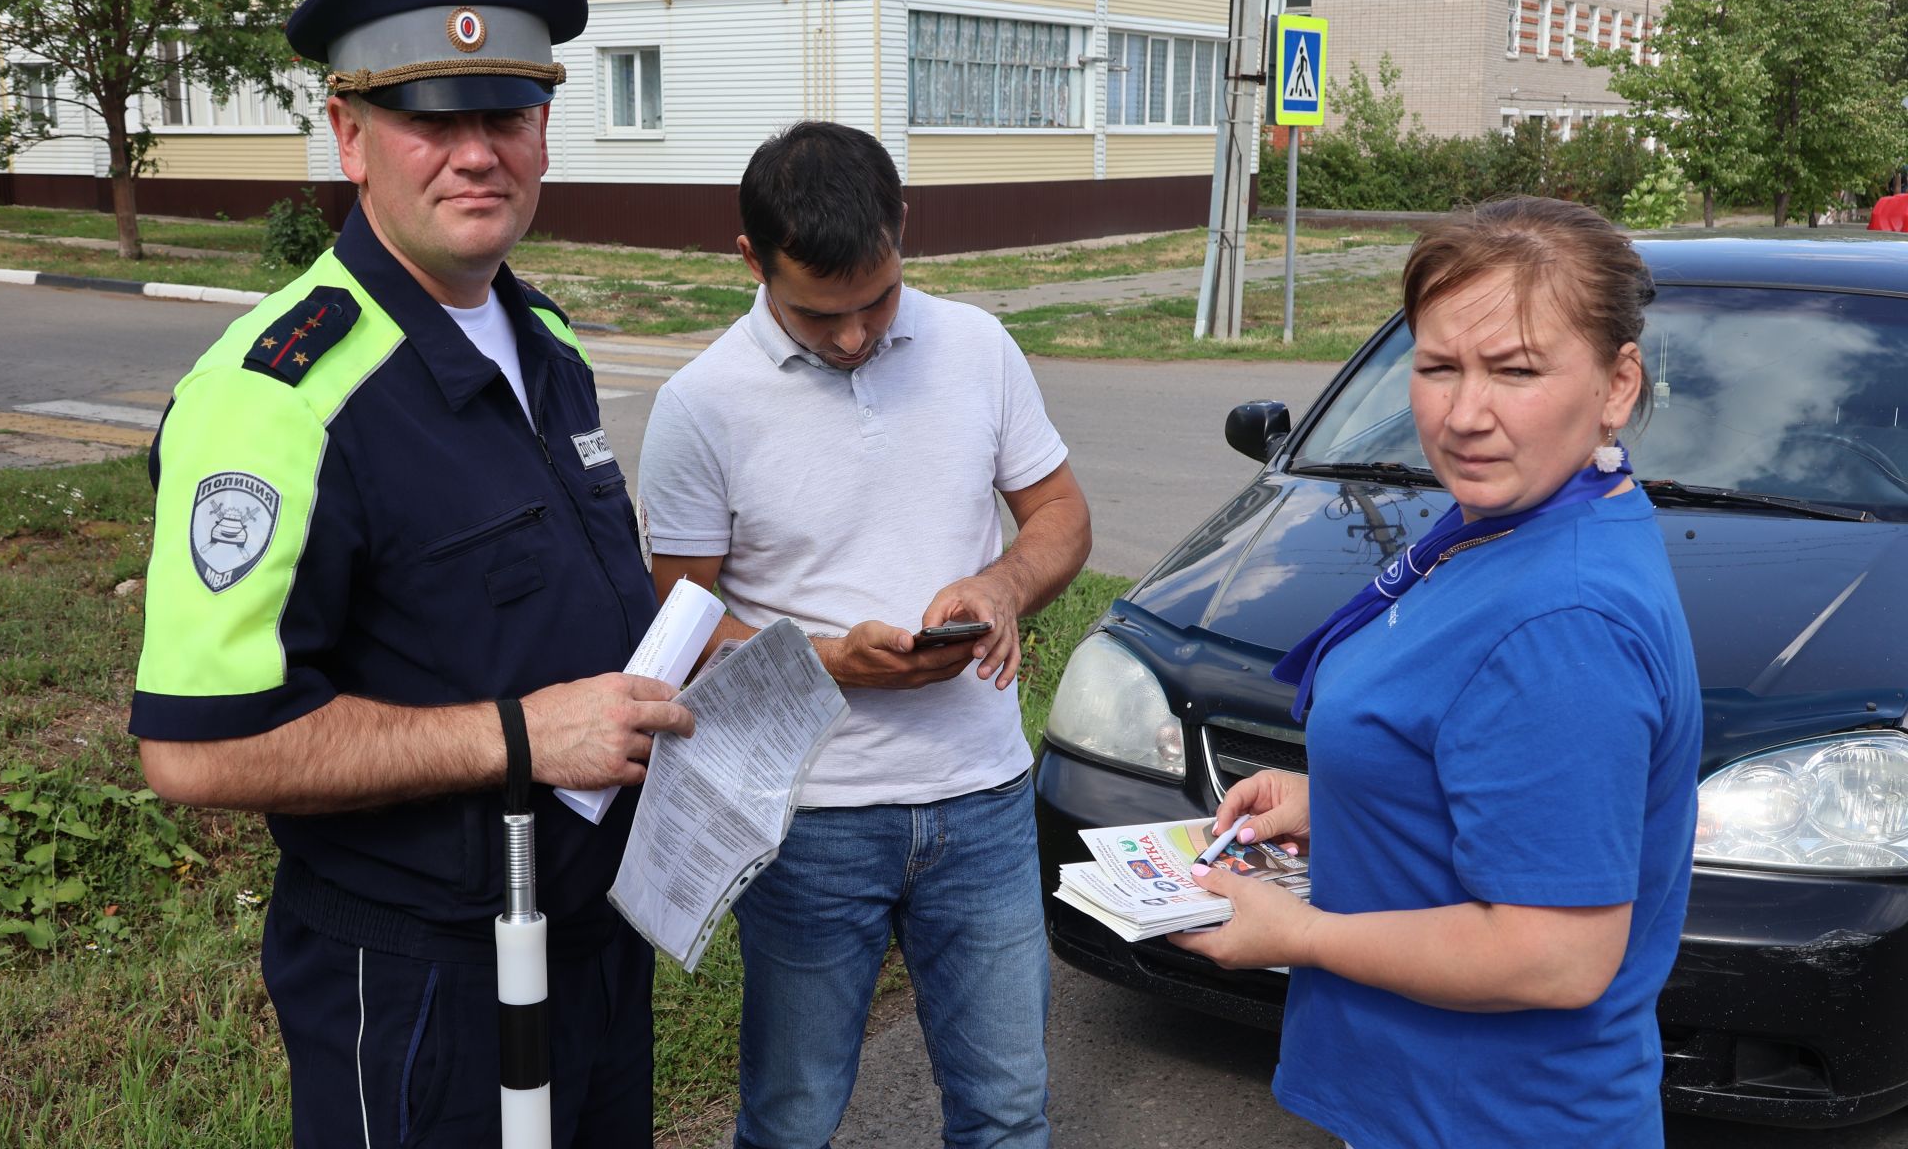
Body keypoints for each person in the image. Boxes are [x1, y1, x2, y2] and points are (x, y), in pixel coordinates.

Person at [130, 0, 692, 1148]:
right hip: (425, 977)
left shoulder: (547, 340)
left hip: (594, 938)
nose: (478, 154)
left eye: (509, 113)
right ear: (349, 132)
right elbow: (197, 751)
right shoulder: (277, 395)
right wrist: (522, 736)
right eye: (431, 119)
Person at [1171, 197, 1702, 1147]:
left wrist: (1296, 937)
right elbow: (1484, 766)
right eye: (1436, 367)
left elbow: (1556, 957)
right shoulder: (1522, 515)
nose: (1465, 415)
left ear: (1617, 385)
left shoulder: (1563, 619)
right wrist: (1348, 797)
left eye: (1516, 370)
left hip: (1494, 1118)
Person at [637, 120, 1091, 1149]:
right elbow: (681, 626)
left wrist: (1004, 579)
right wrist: (829, 661)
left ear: (903, 230)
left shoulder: (976, 346)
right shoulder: (698, 405)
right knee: (792, 1116)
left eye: (876, 301)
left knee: (1008, 1110)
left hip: (982, 797)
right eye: (818, 313)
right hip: (810, 818)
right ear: (751, 260)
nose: (852, 337)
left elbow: (1062, 514)